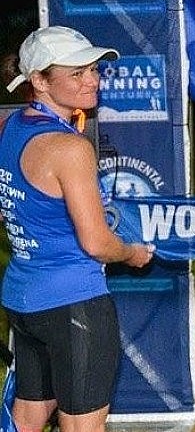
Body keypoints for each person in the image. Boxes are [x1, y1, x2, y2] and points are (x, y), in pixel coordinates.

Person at [0, 26, 155, 432]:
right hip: (73, 303)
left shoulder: (12, 126)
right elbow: (97, 242)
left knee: (28, 414)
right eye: (77, 73)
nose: (92, 80)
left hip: (23, 298)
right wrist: (131, 253)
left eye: (93, 69)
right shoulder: (70, 149)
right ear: (39, 81)